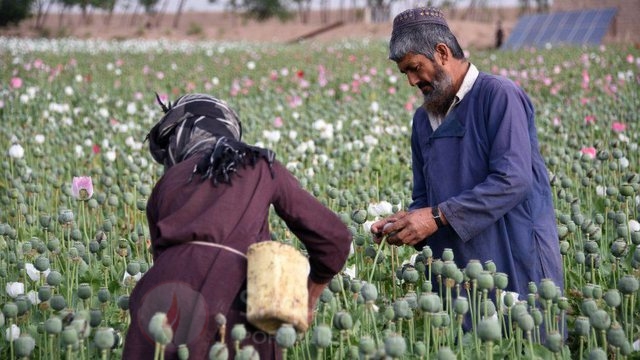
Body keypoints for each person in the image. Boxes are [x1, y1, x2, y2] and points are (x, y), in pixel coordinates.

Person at [123, 93, 352, 359]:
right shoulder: (259, 164)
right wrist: (310, 296)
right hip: (234, 294)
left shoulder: (165, 184)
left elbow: (162, 258)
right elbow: (333, 238)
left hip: (160, 297)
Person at [371, 7, 563, 309]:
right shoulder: (423, 120)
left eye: (415, 67)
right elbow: (424, 198)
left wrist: (435, 216)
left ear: (442, 53)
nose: (411, 81)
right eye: (404, 72)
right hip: (454, 272)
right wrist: (405, 225)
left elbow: (512, 180)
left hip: (513, 257)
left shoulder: (498, 95)